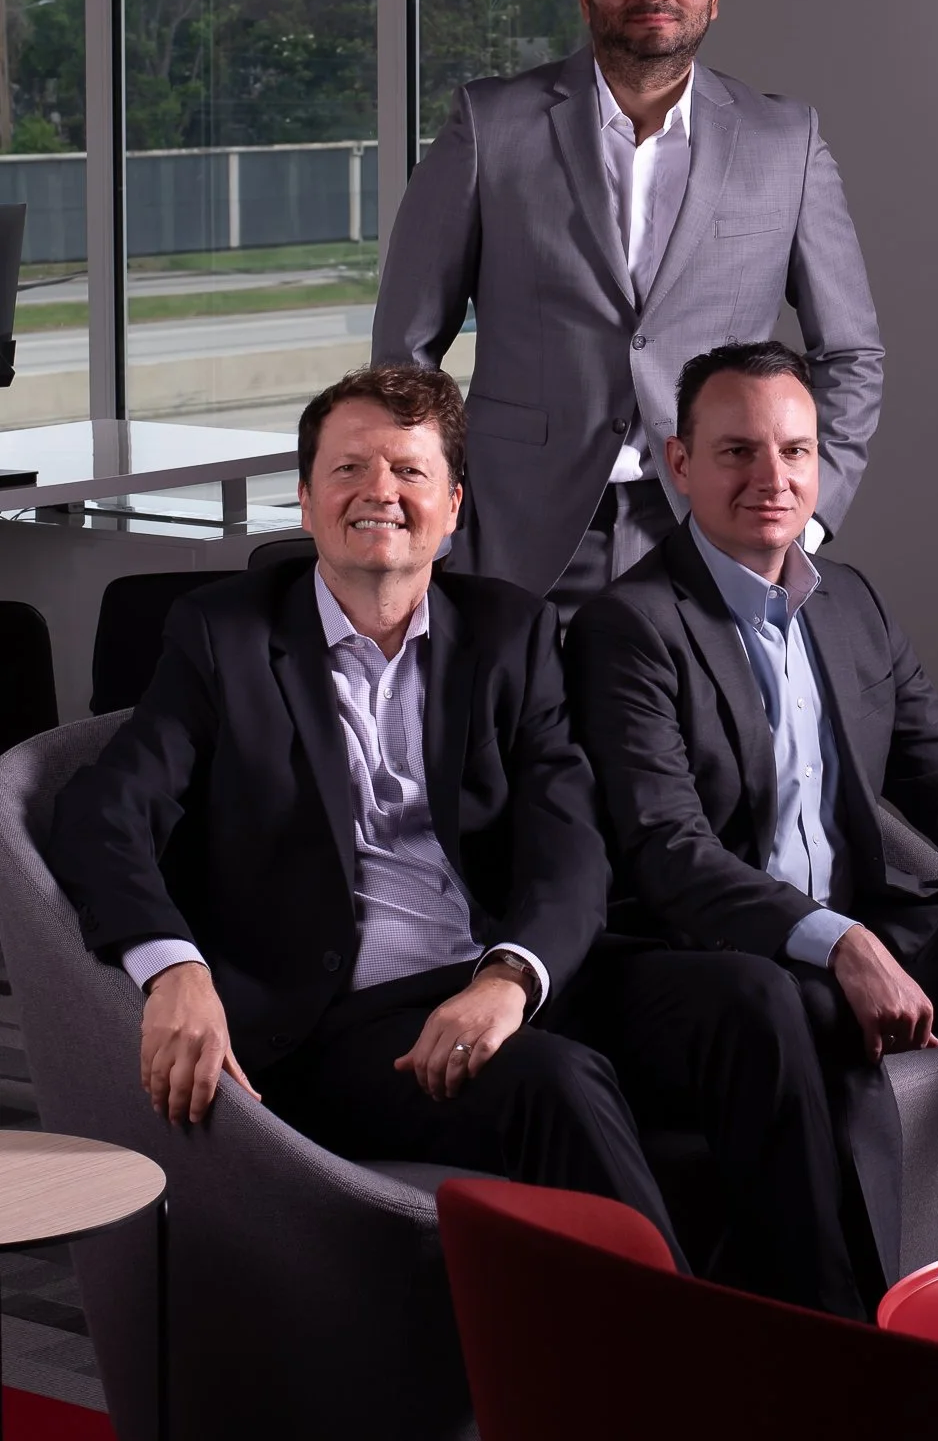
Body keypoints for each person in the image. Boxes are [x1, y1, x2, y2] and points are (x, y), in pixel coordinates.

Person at [566, 340, 938, 1305]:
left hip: (861, 923)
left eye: (794, 452)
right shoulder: (630, 625)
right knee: (792, 1011)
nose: (770, 478)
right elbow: (667, 850)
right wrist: (837, 943)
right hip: (718, 954)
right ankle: (848, 1326)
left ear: (821, 462)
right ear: (678, 462)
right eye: (736, 452)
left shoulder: (848, 603)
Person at [45, 363, 684, 1250]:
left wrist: (507, 980)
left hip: (494, 973)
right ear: (304, 502)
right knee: (558, 1086)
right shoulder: (221, 634)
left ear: (453, 507)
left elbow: (567, 842)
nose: (378, 492)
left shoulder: (511, 633)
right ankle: (691, 1373)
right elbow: (101, 813)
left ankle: (827, 1325)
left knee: (749, 1006)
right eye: (348, 469)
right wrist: (174, 969)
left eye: (409, 472)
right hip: (335, 1020)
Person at [372, 0, 883, 623]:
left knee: (698, 740)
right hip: (520, 528)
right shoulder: (491, 127)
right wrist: (437, 504)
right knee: (521, 738)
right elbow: (405, 349)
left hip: (715, 527)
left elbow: (851, 352)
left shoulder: (784, 142)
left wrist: (805, 515)